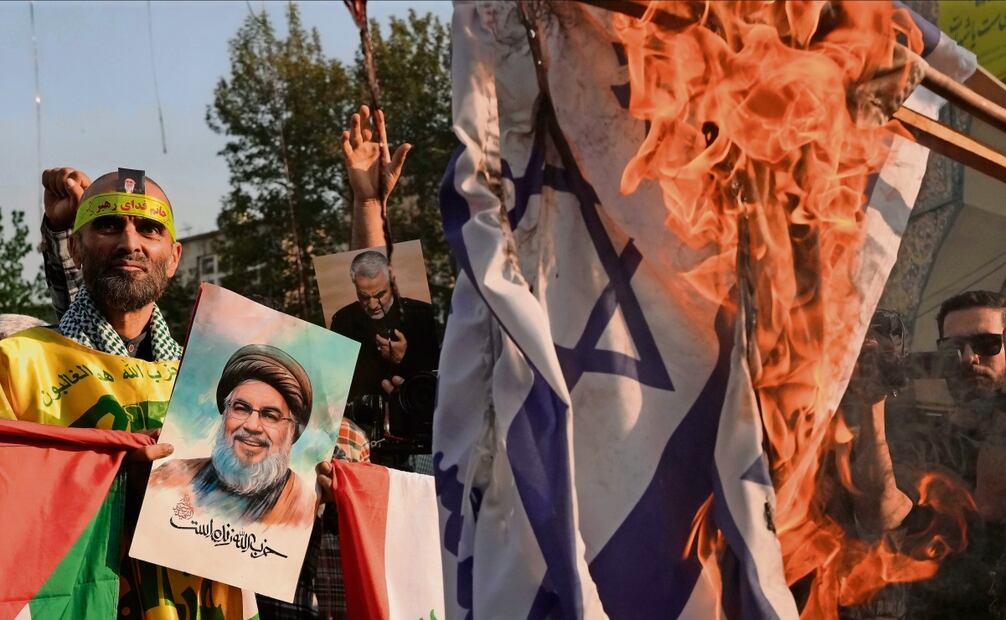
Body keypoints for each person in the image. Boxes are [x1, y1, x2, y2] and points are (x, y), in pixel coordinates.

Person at [0, 167, 251, 616]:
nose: (130, 243)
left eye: (149, 228)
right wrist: (111, 484)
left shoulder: (217, 385)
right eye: (108, 224)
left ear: (174, 257)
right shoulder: (18, 364)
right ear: (74, 247)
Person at [151, 344, 316, 528]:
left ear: (292, 430)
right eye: (241, 408)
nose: (252, 426)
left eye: (270, 415)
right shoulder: (168, 478)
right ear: (225, 414)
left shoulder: (304, 508)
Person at [329, 250, 439, 402]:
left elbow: (442, 375)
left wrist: (404, 358)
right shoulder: (343, 321)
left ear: (393, 283)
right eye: (364, 297)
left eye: (380, 295)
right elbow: (337, 386)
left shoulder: (423, 315)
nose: (373, 305)